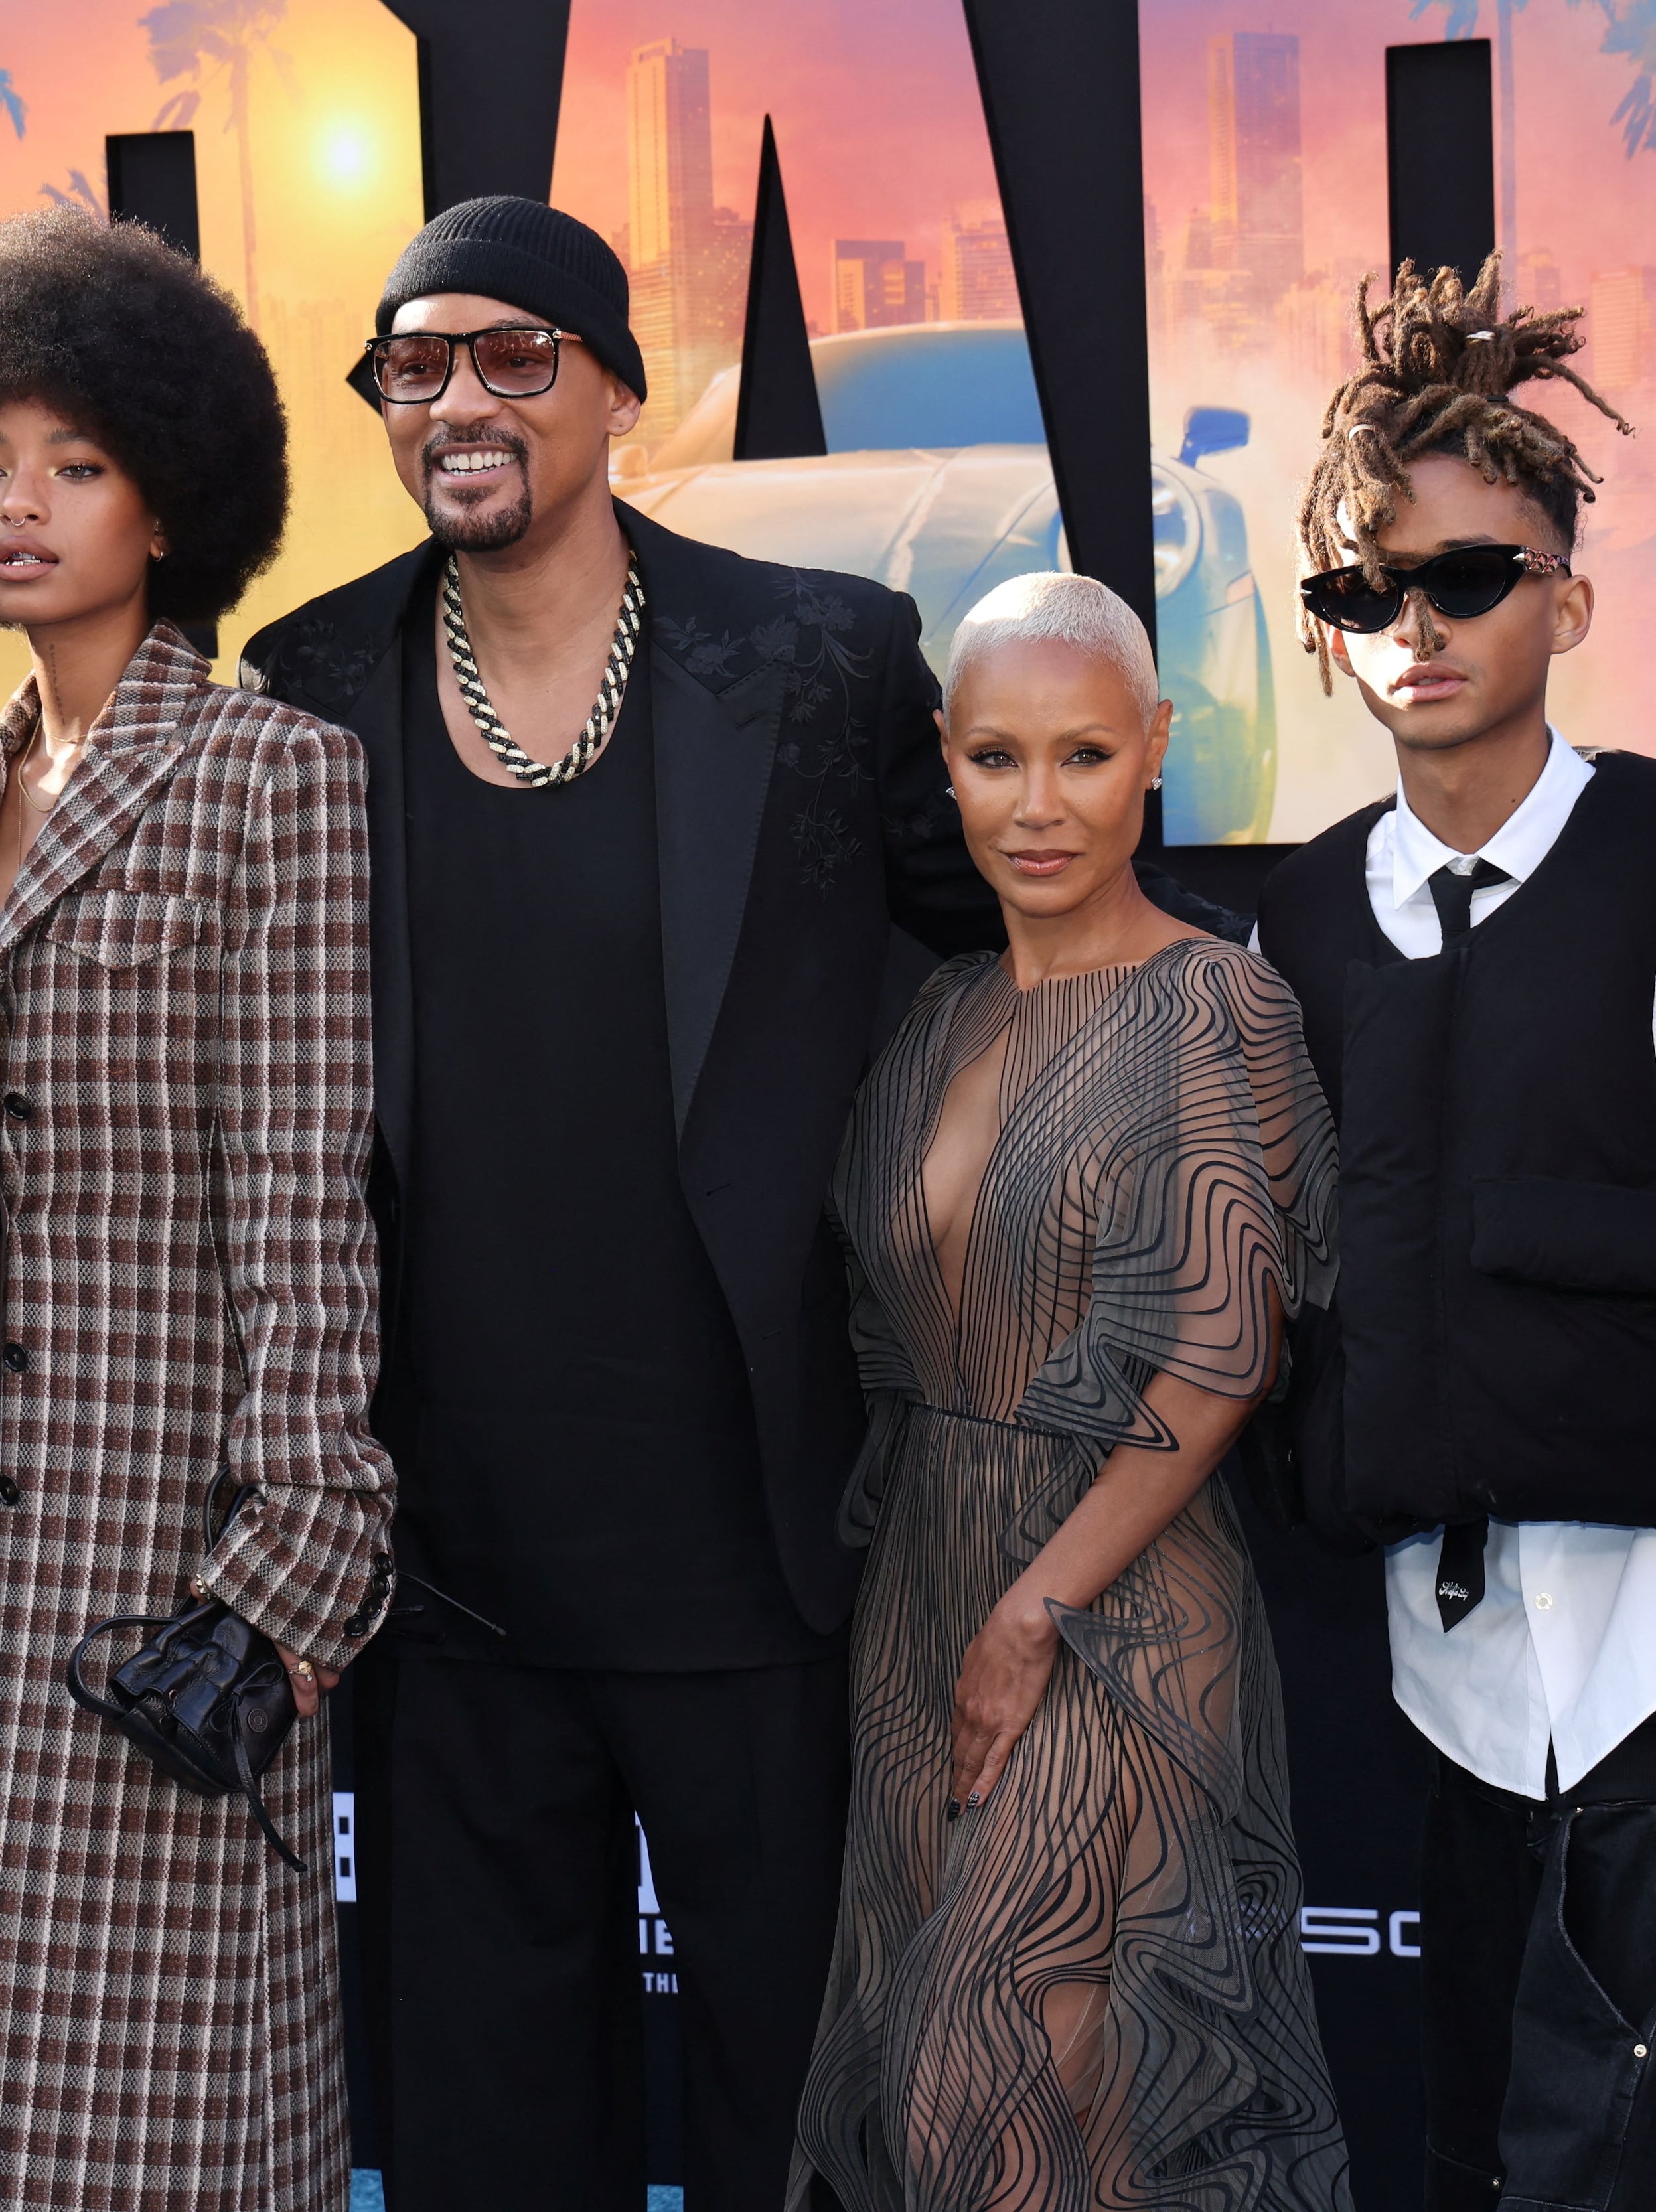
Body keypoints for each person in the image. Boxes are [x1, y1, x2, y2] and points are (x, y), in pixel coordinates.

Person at [239, 196, 1232, 2209]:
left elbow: (1015, 944)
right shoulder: (309, 677)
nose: (459, 397)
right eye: (412, 364)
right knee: (489, 2133)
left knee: (809, 2117)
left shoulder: (814, 656)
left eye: (516, 354)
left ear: (615, 386)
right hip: (443, 1565)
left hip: (772, 1546)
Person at [1249, 258, 1656, 2210]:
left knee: (1642, 2171)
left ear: (1569, 601)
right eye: (1365, 591)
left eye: (1466, 579)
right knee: (1467, 2152)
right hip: (1443, 1678)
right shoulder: (1308, 919)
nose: (1412, 626)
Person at [0, 208, 394, 2212]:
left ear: (172, 500)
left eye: (76, 465)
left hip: (180, 1547)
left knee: (168, 2099)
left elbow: (300, 1193)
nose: (20, 506)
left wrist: (292, 1559)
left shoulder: (274, 775)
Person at [790, 573, 1352, 2209]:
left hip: (1114, 1596)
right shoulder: (940, 1009)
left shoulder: (1214, 999)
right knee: (1040, 2094)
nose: (1038, 806)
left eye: (1086, 755)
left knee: (985, 2062)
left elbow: (1223, 1355)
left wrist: (1035, 1610)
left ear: (1156, 751)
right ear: (946, 768)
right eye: (995, 758)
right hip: (922, 1581)